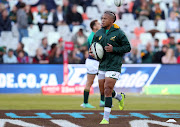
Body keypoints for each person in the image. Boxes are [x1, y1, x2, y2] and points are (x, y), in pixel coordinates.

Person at [90, 11, 131, 124]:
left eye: (105, 19)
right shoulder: (98, 33)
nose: (102, 20)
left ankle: (105, 118)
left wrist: (114, 50)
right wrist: (92, 52)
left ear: (112, 21)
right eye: (102, 18)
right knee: (103, 91)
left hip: (114, 65)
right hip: (102, 64)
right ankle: (119, 97)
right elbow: (93, 46)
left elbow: (128, 47)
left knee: (108, 89)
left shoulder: (119, 33)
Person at [80, 20, 101, 108]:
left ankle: (103, 101)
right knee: (89, 82)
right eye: (98, 24)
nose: (100, 25)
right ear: (94, 27)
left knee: (103, 82)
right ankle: (85, 103)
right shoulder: (92, 37)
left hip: (97, 62)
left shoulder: (97, 35)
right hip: (93, 62)